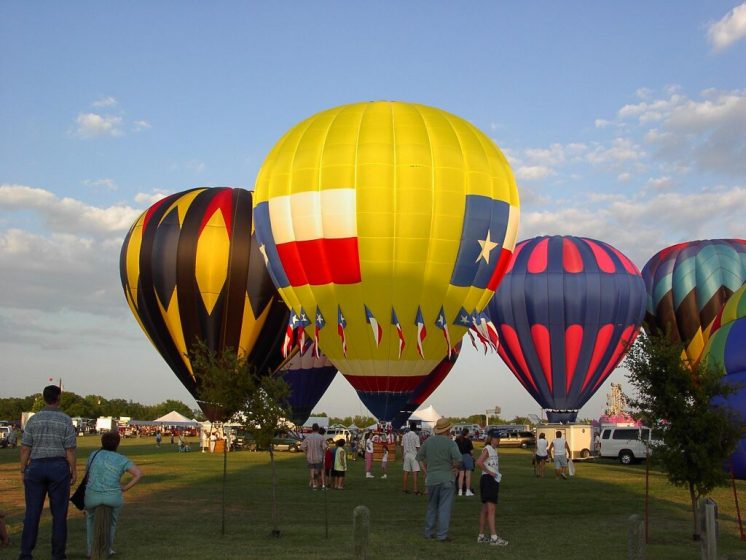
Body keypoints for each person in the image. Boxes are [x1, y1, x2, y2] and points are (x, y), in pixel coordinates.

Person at [18, 384, 77, 560]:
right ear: (58, 398)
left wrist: (23, 469)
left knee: (32, 512)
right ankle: (58, 554)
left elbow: (25, 448)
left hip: (35, 466)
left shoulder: (33, 420)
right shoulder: (65, 419)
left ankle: (26, 553)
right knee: (59, 514)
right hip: (58, 466)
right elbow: (70, 449)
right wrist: (73, 470)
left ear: (44, 398)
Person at [84, 431, 143, 557]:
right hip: (113, 496)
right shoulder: (122, 459)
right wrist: (125, 488)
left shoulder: (93, 455)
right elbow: (138, 474)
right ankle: (108, 548)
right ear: (117, 444)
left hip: (92, 495)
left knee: (90, 519)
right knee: (112, 522)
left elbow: (87, 474)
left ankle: (90, 549)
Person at [415, 417, 462, 542]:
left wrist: (425, 472)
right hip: (447, 478)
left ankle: (429, 532)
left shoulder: (428, 442)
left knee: (432, 506)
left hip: (432, 479)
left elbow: (419, 457)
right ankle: (442, 535)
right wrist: (455, 468)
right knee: (444, 508)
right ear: (448, 430)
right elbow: (458, 459)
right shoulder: (451, 443)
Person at [475, 429, 508, 546]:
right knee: (491, 509)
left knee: (485, 510)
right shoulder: (488, 449)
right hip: (488, 480)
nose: (499, 440)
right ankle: (494, 538)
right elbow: (479, 462)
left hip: (491, 480)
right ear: (491, 438)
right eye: (496, 437)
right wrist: (490, 472)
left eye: (499, 438)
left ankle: (481, 535)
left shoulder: (494, 450)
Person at [300, 423, 326, 490]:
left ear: (312, 428)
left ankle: (314, 485)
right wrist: (324, 455)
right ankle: (321, 485)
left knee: (312, 471)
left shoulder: (308, 437)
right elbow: (324, 447)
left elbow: (302, 447)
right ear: (318, 429)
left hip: (310, 457)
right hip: (319, 457)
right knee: (318, 471)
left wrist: (306, 453)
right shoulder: (321, 437)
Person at [401, 427, 422, 494]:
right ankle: (415, 490)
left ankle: (404, 489)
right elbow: (418, 447)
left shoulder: (404, 436)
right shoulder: (416, 436)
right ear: (415, 429)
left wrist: (403, 455)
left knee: (406, 472)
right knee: (415, 473)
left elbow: (402, 446)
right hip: (414, 455)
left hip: (406, 455)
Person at [455, 428, 475, 496]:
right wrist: (473, 457)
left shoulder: (457, 440)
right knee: (468, 475)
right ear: (467, 433)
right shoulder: (468, 440)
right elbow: (472, 452)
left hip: (459, 457)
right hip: (467, 457)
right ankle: (468, 490)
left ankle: (460, 491)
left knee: (461, 474)